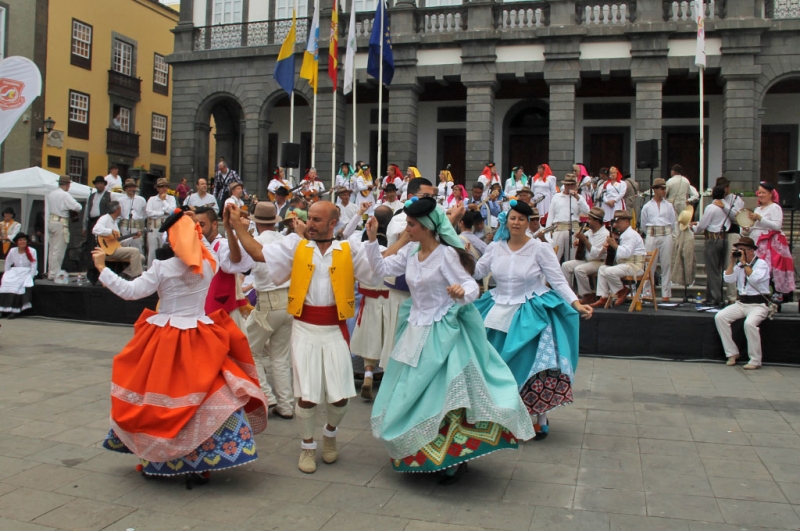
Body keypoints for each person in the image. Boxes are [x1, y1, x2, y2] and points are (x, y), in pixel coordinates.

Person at [364, 196, 535, 483]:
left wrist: (460, 291)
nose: (408, 230)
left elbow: (471, 287)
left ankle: (451, 457)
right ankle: (419, 449)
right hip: (415, 329)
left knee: (443, 395)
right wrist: (371, 241)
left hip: (443, 331)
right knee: (411, 391)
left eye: (412, 224)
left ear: (428, 227)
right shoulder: (410, 253)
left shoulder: (446, 254)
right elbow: (381, 271)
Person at [92, 210, 268, 483]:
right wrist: (194, 227)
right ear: (195, 237)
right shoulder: (209, 265)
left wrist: (103, 269)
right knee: (203, 397)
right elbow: (208, 248)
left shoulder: (162, 268)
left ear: (173, 241)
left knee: (156, 397)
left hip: (164, 338)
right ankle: (199, 460)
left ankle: (155, 457)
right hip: (201, 334)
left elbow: (130, 292)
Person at [230, 201, 379, 474]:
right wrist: (239, 227)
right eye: (309, 218)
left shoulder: (349, 249)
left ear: (333, 223)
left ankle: (330, 435)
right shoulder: (295, 246)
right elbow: (258, 252)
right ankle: (308, 446)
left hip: (335, 328)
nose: (309, 223)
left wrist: (378, 240)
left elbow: (381, 266)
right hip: (304, 328)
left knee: (340, 397)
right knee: (307, 394)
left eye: (316, 219)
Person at [473, 199, 592, 440]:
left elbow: (557, 280)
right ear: (506, 220)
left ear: (529, 223)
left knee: (532, 364)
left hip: (529, 309)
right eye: (512, 218)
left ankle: (541, 417)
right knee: (493, 361)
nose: (516, 222)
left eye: (521, 219)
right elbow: (476, 272)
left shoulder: (539, 248)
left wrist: (576, 303)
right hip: (496, 307)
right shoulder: (495, 247)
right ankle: (502, 412)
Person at [243, 202, 295, 420]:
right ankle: (286, 404)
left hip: (268, 301)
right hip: (289, 300)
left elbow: (245, 268)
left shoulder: (255, 243)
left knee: (247, 348)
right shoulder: (285, 240)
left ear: (256, 221)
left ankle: (267, 394)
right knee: (280, 356)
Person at [350, 205, 394, 401]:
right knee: (387, 339)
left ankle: (368, 374)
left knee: (370, 338)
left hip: (368, 301)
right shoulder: (394, 253)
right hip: (388, 301)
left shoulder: (360, 251)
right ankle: (387, 378)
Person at [714, 237, 771, 370]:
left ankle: (755, 359)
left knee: (749, 324)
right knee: (720, 317)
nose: (741, 253)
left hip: (758, 305)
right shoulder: (739, 265)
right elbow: (728, 278)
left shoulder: (761, 264)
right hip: (741, 303)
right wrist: (732, 262)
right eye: (739, 250)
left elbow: (755, 279)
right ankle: (732, 353)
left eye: (743, 250)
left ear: (751, 251)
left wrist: (745, 264)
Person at [198, 206, 254, 331]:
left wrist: (228, 228)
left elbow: (235, 259)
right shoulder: (198, 246)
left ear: (214, 224)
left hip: (222, 309)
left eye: (202, 224)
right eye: (196, 225)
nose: (198, 229)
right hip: (203, 309)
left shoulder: (222, 244)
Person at [743, 181, 795, 299]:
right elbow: (753, 227)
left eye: (763, 192)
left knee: (769, 271)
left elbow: (777, 226)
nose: (760, 195)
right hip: (756, 242)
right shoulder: (757, 209)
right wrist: (746, 229)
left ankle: (773, 296)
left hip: (770, 245)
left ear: (770, 194)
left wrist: (760, 218)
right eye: (759, 192)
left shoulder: (775, 207)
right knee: (755, 269)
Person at [591, 210, 646, 308]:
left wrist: (614, 245)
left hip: (634, 266)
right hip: (625, 265)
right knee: (602, 269)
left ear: (626, 221)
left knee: (609, 271)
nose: (616, 225)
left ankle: (622, 291)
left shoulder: (631, 234)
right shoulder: (624, 234)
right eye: (616, 222)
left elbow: (626, 254)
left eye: (619, 222)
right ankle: (603, 297)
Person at [562, 206, 609, 304]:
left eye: (590, 219)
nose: (588, 221)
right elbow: (584, 246)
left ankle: (587, 295)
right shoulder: (589, 232)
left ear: (596, 221)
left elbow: (596, 254)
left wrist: (585, 241)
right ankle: (568, 294)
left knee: (579, 269)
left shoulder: (604, 234)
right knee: (566, 265)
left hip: (599, 262)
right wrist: (579, 243)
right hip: (587, 260)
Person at [639, 178, 676, 302]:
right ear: (655, 190)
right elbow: (643, 223)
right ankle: (647, 291)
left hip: (666, 234)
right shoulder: (647, 206)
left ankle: (666, 293)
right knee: (649, 265)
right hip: (652, 234)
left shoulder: (669, 206)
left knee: (666, 264)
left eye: (665, 188)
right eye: (661, 188)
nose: (664, 191)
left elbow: (673, 222)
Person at [692, 186, 729, 306]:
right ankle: (710, 296)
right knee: (717, 269)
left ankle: (715, 297)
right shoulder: (726, 208)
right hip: (723, 238)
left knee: (712, 270)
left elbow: (703, 224)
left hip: (712, 239)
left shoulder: (711, 208)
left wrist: (693, 227)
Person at [92, 201, 144, 279]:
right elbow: (95, 230)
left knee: (141, 257)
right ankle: (137, 277)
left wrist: (132, 237)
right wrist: (110, 231)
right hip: (107, 251)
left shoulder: (115, 222)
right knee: (135, 251)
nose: (121, 210)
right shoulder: (105, 218)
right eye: (120, 208)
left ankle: (125, 274)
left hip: (114, 248)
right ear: (117, 210)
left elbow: (119, 242)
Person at [546, 174, 589, 262]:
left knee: (572, 258)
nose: (569, 187)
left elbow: (587, 212)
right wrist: (547, 232)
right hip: (559, 228)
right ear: (564, 185)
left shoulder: (579, 198)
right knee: (555, 257)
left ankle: (569, 275)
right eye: (567, 185)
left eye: (571, 185)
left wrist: (577, 198)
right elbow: (551, 215)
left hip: (573, 229)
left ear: (575, 185)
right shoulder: (556, 197)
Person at [716, 176, 745, 304]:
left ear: (728, 188)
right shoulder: (718, 199)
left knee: (730, 263)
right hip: (720, 233)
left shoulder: (736, 199)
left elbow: (737, 217)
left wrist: (724, 207)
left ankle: (732, 296)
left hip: (732, 233)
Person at [47, 175, 82, 279]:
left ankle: (51, 271)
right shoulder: (64, 195)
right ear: (67, 184)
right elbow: (77, 207)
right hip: (61, 222)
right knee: (59, 249)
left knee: (52, 249)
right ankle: (55, 273)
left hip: (51, 221)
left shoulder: (51, 193)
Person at [0, 233, 37, 318]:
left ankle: (15, 310)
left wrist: (31, 276)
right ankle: (2, 309)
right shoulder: (13, 250)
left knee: (18, 285)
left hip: (26, 270)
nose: (23, 241)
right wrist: (7, 273)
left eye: (24, 240)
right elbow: (8, 263)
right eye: (20, 240)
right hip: (15, 270)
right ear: (17, 242)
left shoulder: (32, 251)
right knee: (6, 282)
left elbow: (34, 265)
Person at [145, 178, 177, 267]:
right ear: (157, 188)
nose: (164, 189)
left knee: (166, 250)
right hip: (154, 228)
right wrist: (163, 213)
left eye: (166, 186)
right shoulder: (152, 199)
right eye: (161, 187)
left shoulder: (171, 198)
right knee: (152, 252)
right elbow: (149, 213)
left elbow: (172, 211)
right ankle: (150, 272)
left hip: (167, 229)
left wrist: (164, 201)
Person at [113, 179, 147, 256]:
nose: (131, 189)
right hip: (125, 224)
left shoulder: (141, 199)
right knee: (125, 244)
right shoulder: (121, 200)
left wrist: (140, 222)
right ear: (125, 189)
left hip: (137, 224)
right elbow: (119, 215)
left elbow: (145, 213)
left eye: (132, 187)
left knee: (138, 244)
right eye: (128, 187)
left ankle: (139, 262)